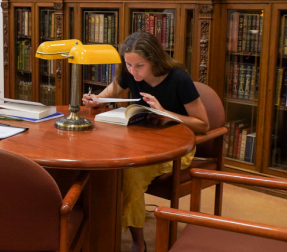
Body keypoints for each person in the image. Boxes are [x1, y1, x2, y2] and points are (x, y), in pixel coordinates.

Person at [82, 31, 209, 252]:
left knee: (130, 172)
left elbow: (202, 124)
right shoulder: (129, 73)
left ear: (154, 59)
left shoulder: (178, 78)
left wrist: (164, 111)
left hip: (175, 148)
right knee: (101, 164)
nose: (133, 71)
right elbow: (106, 94)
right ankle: (98, 230)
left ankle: (138, 243)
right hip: (139, 139)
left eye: (139, 65)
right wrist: (95, 101)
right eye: (128, 65)